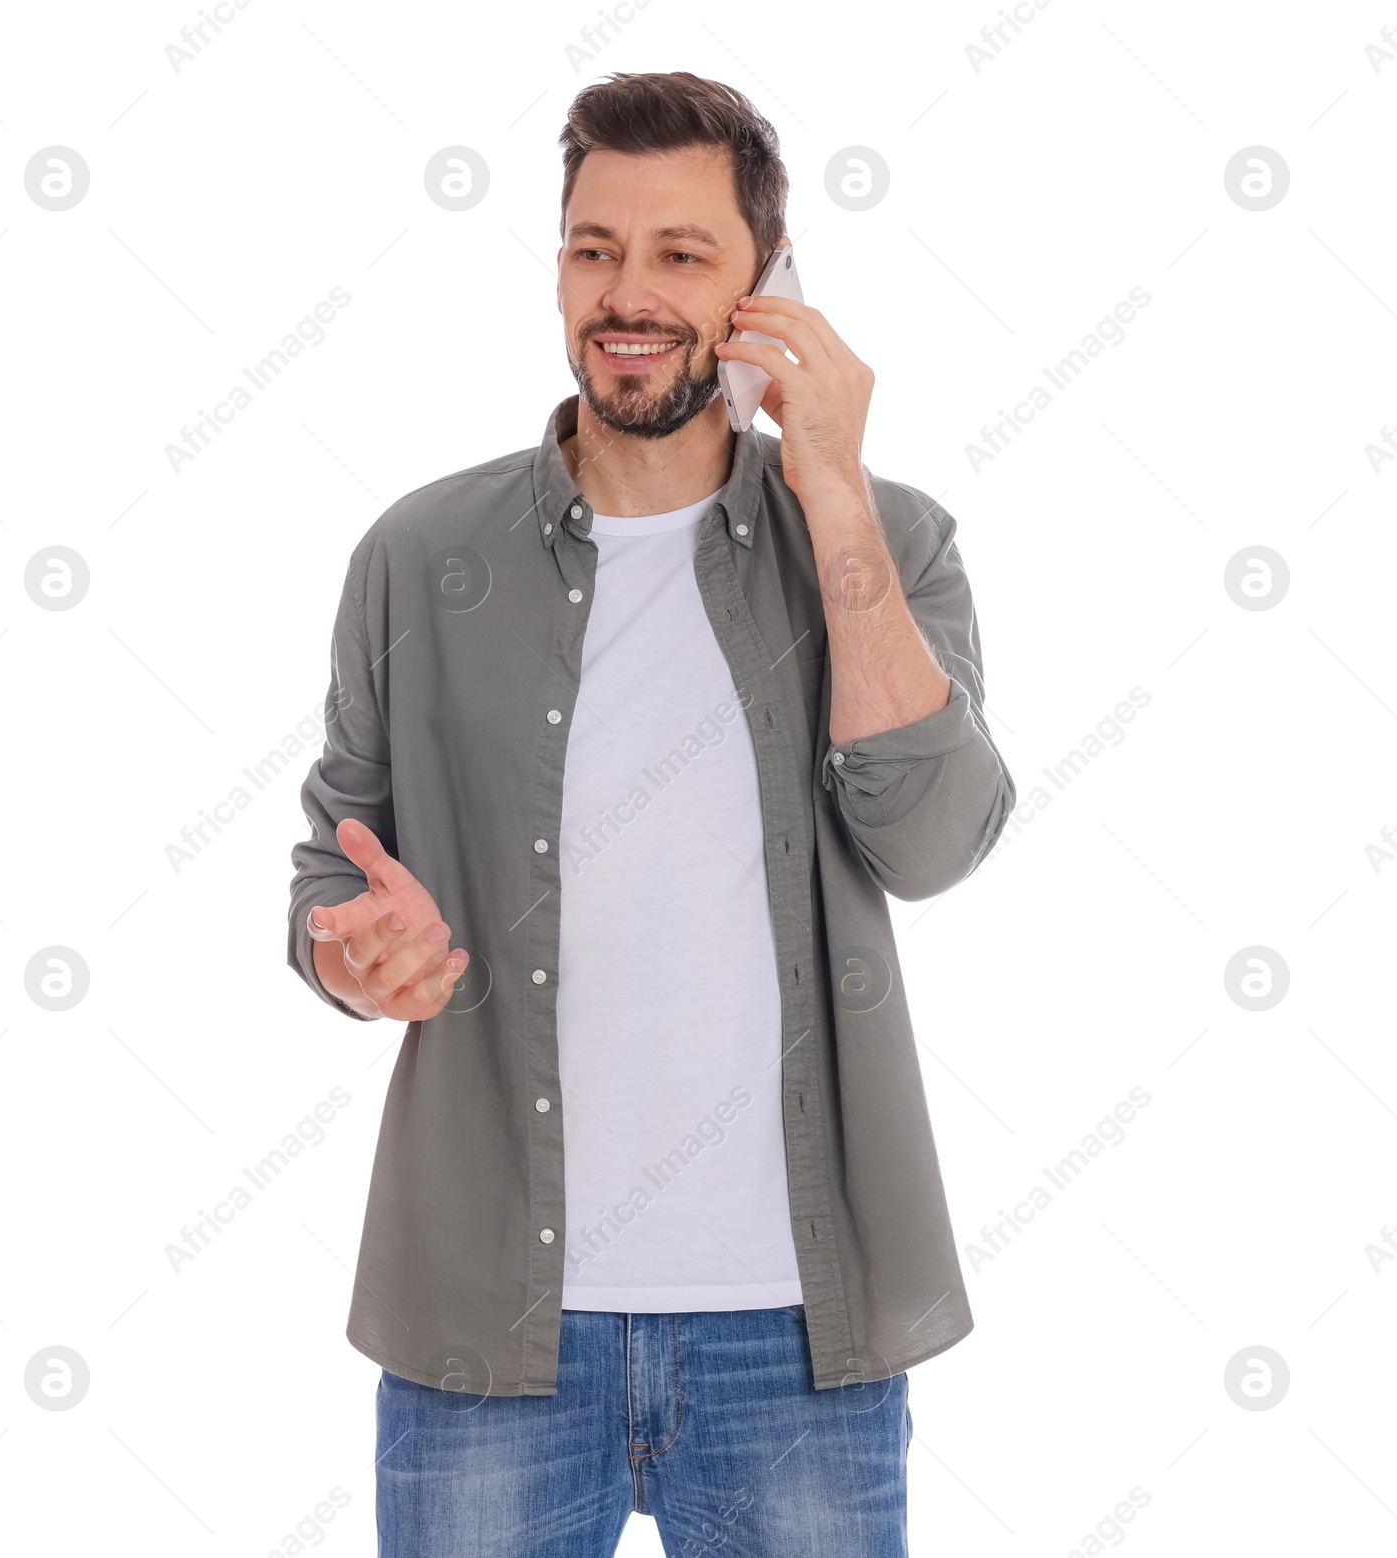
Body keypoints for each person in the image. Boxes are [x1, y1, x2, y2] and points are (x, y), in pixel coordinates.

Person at [287, 69, 1015, 1558]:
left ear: (767, 286)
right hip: (487, 1329)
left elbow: (933, 841)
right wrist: (346, 953)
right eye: (592, 247)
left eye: (682, 253)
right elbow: (334, 856)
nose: (627, 293)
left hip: (796, 1336)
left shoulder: (888, 540)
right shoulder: (418, 556)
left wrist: (830, 486)